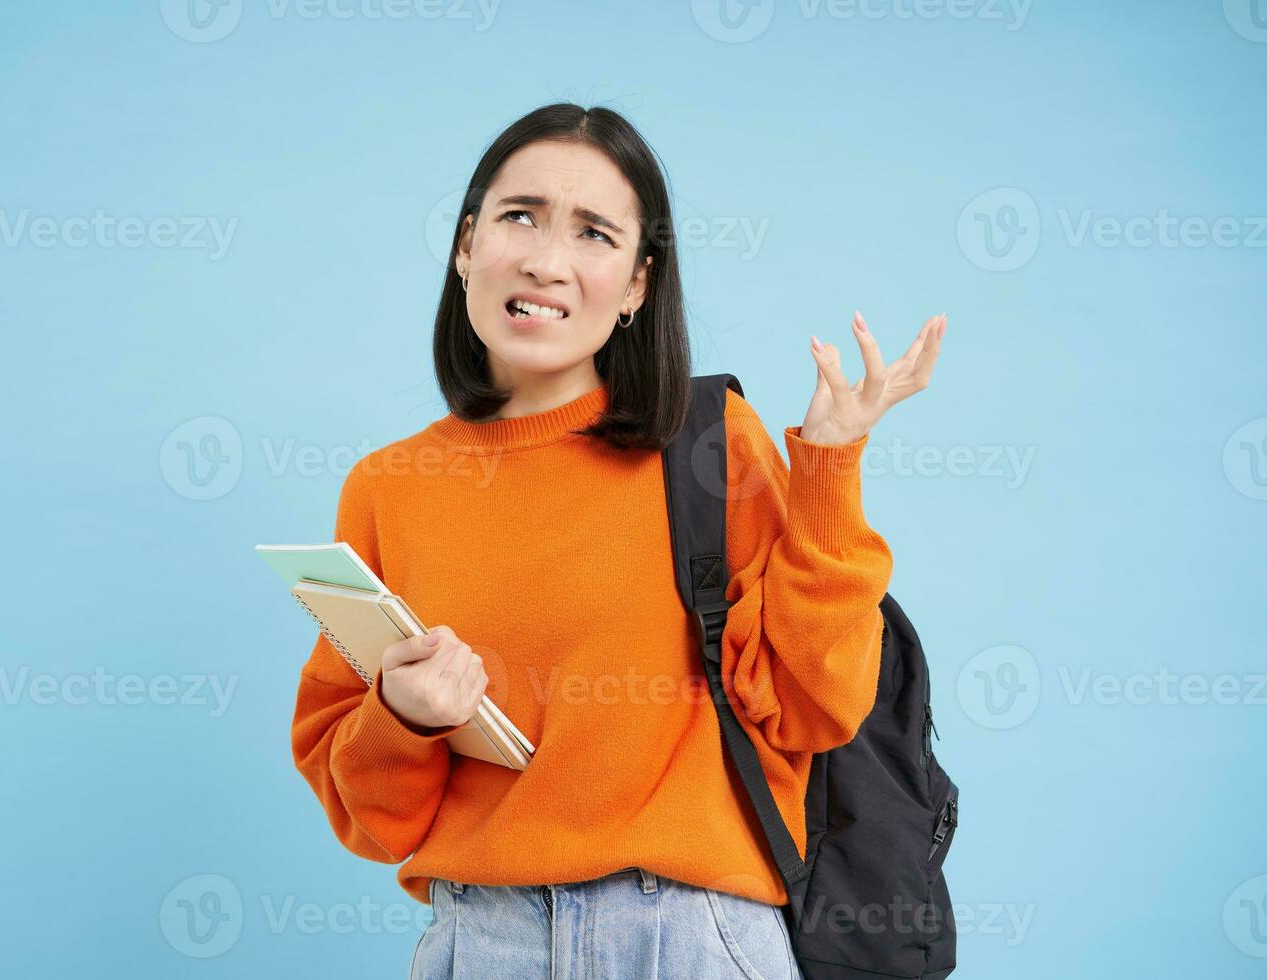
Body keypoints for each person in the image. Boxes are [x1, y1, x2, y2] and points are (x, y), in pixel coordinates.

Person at [290, 101, 944, 979]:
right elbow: (374, 821)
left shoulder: (712, 445)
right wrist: (403, 719)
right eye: (519, 216)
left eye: (596, 234)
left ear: (638, 284)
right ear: (465, 244)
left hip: (689, 937)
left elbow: (811, 709)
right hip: (480, 943)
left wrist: (826, 471)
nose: (547, 259)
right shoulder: (387, 488)